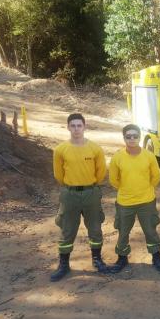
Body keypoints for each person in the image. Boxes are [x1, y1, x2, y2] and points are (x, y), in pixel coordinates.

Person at [51, 113, 108, 282]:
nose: (76, 129)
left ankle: (97, 260)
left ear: (84, 127)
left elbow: (101, 172)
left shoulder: (95, 148)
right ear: (68, 127)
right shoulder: (61, 149)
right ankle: (63, 265)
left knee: (95, 228)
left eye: (79, 125)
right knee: (67, 229)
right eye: (73, 126)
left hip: (91, 193)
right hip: (69, 194)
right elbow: (58, 174)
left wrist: (90, 186)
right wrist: (71, 186)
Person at [108, 124, 160, 273]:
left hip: (146, 201)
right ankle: (122, 257)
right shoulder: (118, 157)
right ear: (124, 138)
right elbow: (113, 180)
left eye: (135, 136)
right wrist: (127, 189)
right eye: (128, 136)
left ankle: (156, 256)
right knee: (123, 231)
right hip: (125, 202)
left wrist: (145, 189)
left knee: (150, 230)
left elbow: (155, 177)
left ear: (140, 137)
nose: (132, 139)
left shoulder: (148, 156)